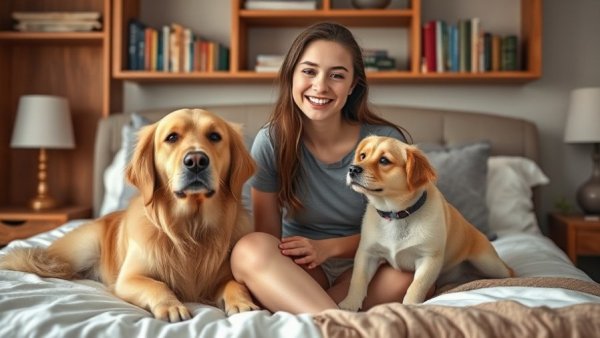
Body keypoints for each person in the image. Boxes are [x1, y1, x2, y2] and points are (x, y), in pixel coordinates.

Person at [231, 21, 418, 314]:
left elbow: (404, 232)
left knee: (412, 273)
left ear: (353, 85)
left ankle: (321, 320)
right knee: (249, 249)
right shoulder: (271, 141)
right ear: (291, 75)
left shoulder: (387, 143)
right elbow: (267, 235)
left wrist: (327, 248)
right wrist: (303, 257)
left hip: (376, 263)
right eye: (308, 71)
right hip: (305, 268)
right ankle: (338, 320)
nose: (320, 86)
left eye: (337, 75)